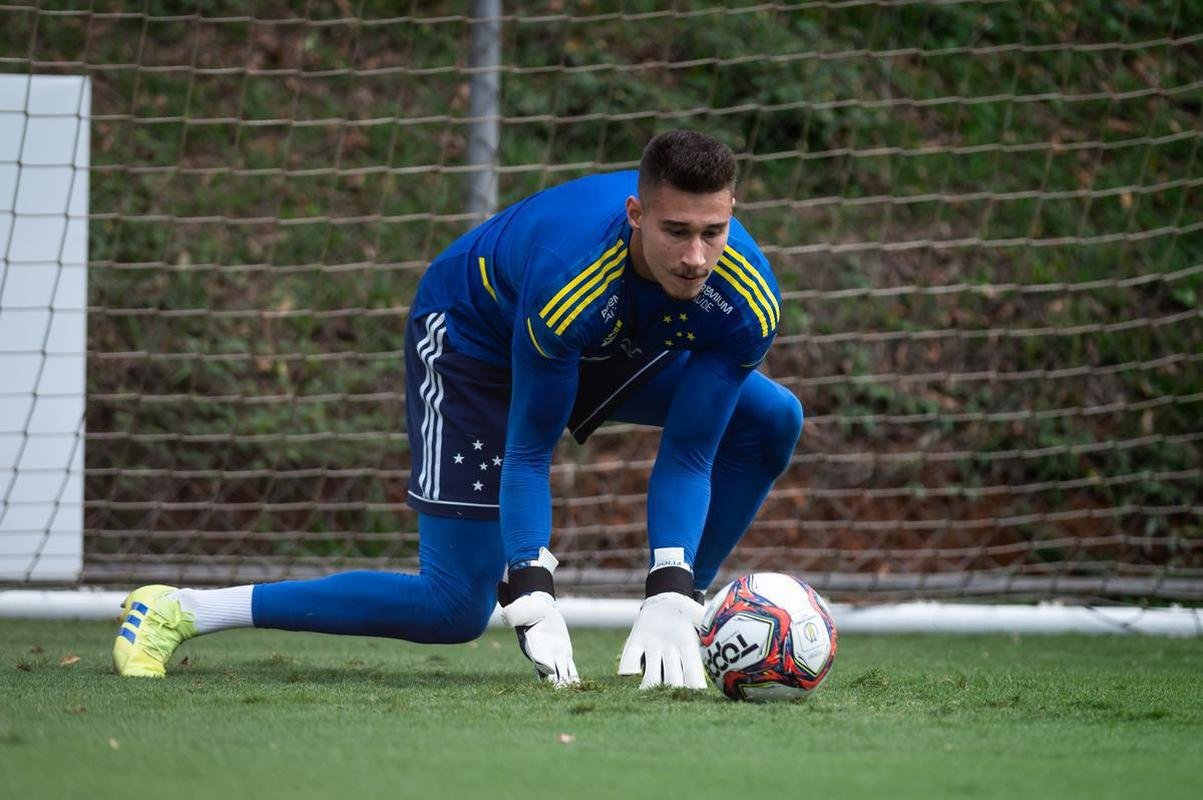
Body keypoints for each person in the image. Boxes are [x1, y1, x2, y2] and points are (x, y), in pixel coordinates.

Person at [113, 129, 803, 689]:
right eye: (675, 231)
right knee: (452, 608)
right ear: (635, 214)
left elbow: (688, 451)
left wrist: (669, 584)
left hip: (606, 344)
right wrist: (531, 584)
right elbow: (530, 450)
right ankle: (181, 609)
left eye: (711, 232)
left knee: (769, 418)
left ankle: (681, 618)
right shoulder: (572, 276)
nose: (694, 257)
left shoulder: (747, 297)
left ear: (732, 212)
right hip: (475, 343)